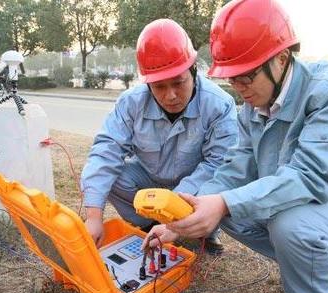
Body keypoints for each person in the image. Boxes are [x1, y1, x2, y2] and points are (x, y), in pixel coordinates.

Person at [143, 0, 328, 293]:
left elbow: (311, 177)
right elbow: (232, 173)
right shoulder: (251, 109)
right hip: (312, 208)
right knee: (222, 206)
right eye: (232, 79)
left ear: (281, 59)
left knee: (289, 223)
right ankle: (310, 264)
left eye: (247, 77)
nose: (239, 89)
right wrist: (180, 221)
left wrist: (225, 201)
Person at [81, 19, 238, 254]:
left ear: (193, 71)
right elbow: (107, 150)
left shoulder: (220, 105)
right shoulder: (131, 102)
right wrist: (94, 216)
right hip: (149, 179)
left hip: (193, 185)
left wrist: (172, 205)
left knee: (213, 194)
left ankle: (202, 232)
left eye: (178, 83)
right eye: (159, 87)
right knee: (114, 176)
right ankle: (150, 226)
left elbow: (217, 165)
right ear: (147, 83)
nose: (171, 96)